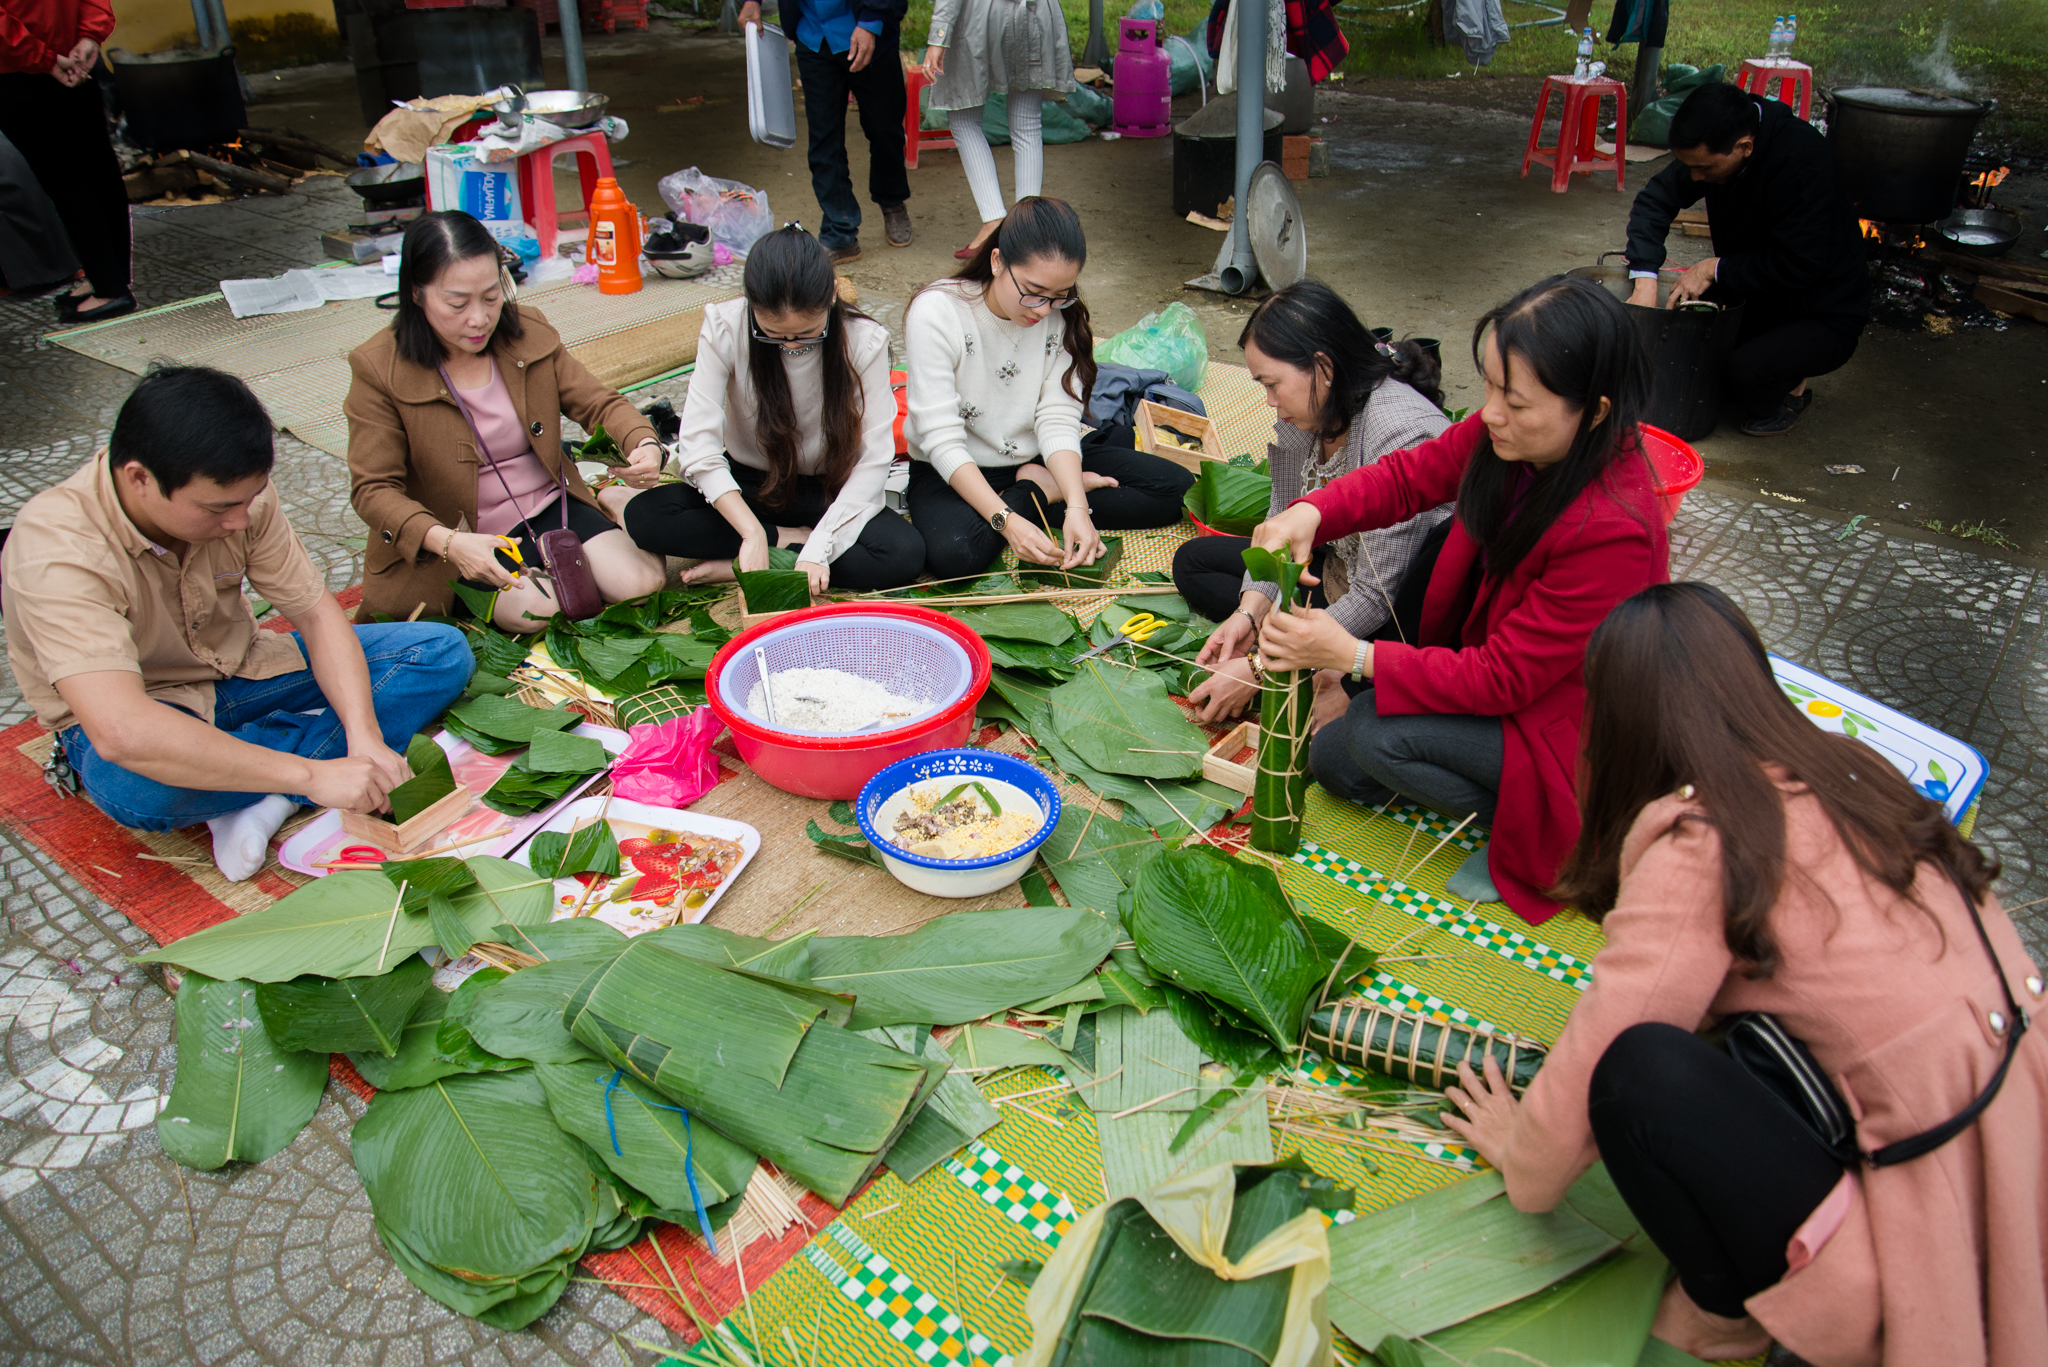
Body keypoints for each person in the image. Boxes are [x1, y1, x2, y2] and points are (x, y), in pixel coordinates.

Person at [1440, 582, 2048, 1365]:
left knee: (1640, 1073)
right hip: (2018, 1165)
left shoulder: (1707, 837)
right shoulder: (1848, 768)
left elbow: (1610, 1038)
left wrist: (1522, 1151)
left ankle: (1726, 1312)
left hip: (1922, 1227)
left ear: (1620, 730)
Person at [1249, 274, 1667, 921]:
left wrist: (1354, 655)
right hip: (1496, 665)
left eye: (1516, 400)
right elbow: (1408, 479)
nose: (1492, 411)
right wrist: (1312, 512)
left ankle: (1547, 823)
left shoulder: (1615, 529)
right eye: (1492, 385)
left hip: (1568, 724)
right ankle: (1491, 786)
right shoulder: (1507, 437)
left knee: (1370, 730)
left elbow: (1503, 677)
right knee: (1337, 760)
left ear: (1596, 410)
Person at [0, 366, 475, 882]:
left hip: (237, 670)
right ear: (139, 478)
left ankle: (253, 792)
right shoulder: (57, 548)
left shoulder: (241, 499)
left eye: (251, 499)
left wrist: (363, 736)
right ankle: (284, 779)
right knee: (136, 787)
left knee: (438, 651)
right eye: (219, 509)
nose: (241, 522)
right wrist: (312, 774)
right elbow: (121, 730)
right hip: (143, 705)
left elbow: (317, 615)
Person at [346, 211, 669, 632]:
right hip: (468, 534)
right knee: (541, 611)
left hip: (552, 502)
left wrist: (642, 442)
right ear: (416, 293)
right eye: (457, 303)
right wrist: (448, 543)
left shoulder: (527, 331)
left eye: (491, 296)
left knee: (643, 584)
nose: (478, 318)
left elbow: (597, 403)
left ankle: (613, 501)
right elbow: (372, 490)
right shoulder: (379, 367)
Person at [1178, 279, 1452, 734]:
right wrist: (1248, 613)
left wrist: (1263, 665)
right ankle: (1303, 655)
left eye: (1272, 384)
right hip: (1336, 573)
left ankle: (1335, 672)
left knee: (1340, 745)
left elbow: (1375, 594)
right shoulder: (1310, 411)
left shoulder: (1397, 434)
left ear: (1323, 366)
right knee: (1195, 563)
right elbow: (1281, 517)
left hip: (1397, 616)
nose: (1268, 400)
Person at [602, 225, 924, 593]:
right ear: (750, 303)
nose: (790, 345)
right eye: (772, 333)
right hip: (752, 482)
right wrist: (752, 531)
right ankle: (781, 541)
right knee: (647, 517)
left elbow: (874, 459)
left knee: (903, 554)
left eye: (806, 334)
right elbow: (698, 444)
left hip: (825, 488)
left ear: (832, 295)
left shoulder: (864, 342)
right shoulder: (725, 325)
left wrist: (819, 548)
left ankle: (758, 562)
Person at [904, 196, 1194, 581]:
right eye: (1033, 291)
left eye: (1060, 295)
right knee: (955, 555)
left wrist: (1077, 506)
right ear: (996, 262)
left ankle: (1047, 487)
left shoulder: (1060, 317)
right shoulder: (938, 312)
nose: (1043, 310)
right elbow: (940, 438)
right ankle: (1038, 493)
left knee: (1175, 490)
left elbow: (1057, 417)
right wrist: (1008, 520)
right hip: (953, 470)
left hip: (1037, 456)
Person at [1624, 81, 1868, 437]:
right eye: (1689, 167)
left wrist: (1714, 268)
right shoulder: (1716, 141)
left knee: (1744, 374)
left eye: (1704, 169)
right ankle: (1758, 354)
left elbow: (1799, 264)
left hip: (1821, 310)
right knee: (1689, 353)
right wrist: (1644, 279)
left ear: (1745, 147)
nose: (1696, 177)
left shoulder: (1803, 160)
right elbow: (1655, 200)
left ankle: (1791, 389)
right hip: (1756, 291)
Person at [739, 0, 911, 264]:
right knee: (824, 138)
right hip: (813, 33)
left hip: (866, 26)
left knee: (884, 129)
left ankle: (891, 200)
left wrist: (872, 20)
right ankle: (839, 230)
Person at [0, 0, 133, 322]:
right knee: (98, 169)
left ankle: (109, 288)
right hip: (76, 57)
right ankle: (110, 277)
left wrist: (45, 58)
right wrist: (90, 38)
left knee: (67, 181)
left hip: (23, 70)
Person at [921, 0, 1073, 259]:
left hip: (980, 18)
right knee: (1026, 124)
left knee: (964, 120)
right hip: (1035, 15)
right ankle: (1027, 229)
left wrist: (938, 36)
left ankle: (993, 220)